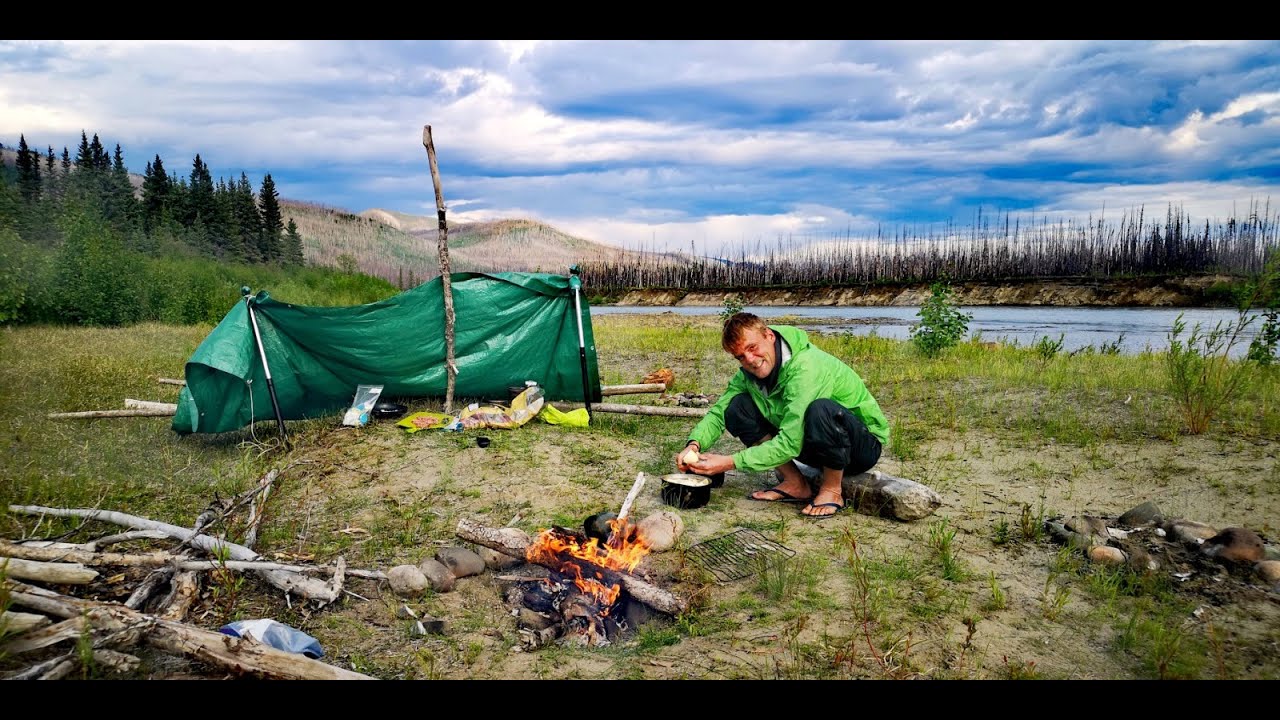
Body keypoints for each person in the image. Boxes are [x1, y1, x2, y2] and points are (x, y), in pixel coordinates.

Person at [675, 312, 889, 518]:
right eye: (741, 356)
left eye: (753, 347)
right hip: (815, 445)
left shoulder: (805, 367)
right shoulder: (748, 374)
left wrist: (730, 462)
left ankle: (832, 490)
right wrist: (694, 444)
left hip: (859, 447)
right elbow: (719, 412)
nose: (750, 359)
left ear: (769, 335)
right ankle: (795, 483)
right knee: (736, 407)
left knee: (820, 410)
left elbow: (789, 444)